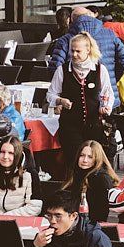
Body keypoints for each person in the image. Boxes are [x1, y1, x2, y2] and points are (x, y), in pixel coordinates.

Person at [48, 33, 117, 163]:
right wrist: (60, 100)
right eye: (72, 51)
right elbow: (50, 94)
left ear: (88, 50)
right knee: (75, 160)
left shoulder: (100, 70)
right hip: (70, 126)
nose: (74, 55)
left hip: (94, 126)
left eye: (78, 51)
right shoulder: (62, 70)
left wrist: (106, 107)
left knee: (93, 161)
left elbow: (108, 94)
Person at [47, 4, 124, 87]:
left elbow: (55, 68)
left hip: (76, 95)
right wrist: (112, 78)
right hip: (107, 93)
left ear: (72, 20)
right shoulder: (110, 34)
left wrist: (67, 86)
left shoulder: (65, 39)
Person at [29, 188, 114, 247]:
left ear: (73, 216)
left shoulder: (95, 237)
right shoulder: (46, 238)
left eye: (58, 216)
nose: (52, 221)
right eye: (49, 215)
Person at [0, 136, 41, 216]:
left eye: (11, 153)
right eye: (2, 152)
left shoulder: (30, 174)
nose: (5, 156)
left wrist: (7, 216)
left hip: (22, 219)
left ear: (17, 154)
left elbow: (35, 208)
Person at [70, 139, 117, 224]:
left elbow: (101, 214)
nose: (85, 160)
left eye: (90, 157)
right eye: (82, 155)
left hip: (93, 226)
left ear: (97, 159)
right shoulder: (77, 174)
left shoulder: (101, 179)